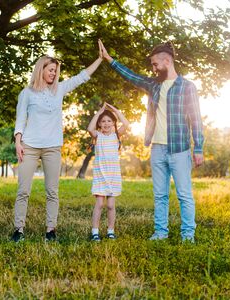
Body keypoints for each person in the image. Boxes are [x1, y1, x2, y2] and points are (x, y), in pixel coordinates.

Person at [98, 40, 204, 242]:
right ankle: (160, 232)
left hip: (179, 148)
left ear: (167, 60)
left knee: (184, 195)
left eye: (155, 64)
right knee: (160, 195)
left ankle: (188, 235)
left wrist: (198, 147)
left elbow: (195, 119)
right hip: (157, 148)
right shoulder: (154, 85)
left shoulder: (187, 87)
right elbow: (132, 77)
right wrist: (109, 60)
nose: (153, 68)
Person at [11, 41, 103, 243]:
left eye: (55, 71)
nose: (54, 73)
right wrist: (18, 142)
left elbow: (82, 77)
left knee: (52, 191)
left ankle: (50, 230)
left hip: (52, 147)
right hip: (29, 146)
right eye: (51, 70)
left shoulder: (59, 90)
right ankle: (19, 230)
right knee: (23, 190)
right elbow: (20, 119)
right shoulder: (26, 93)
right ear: (41, 69)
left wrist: (100, 59)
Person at [87, 103, 129, 241]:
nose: (106, 123)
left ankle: (110, 231)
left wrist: (115, 110)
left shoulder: (116, 135)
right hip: (101, 175)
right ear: (99, 123)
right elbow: (89, 128)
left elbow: (126, 124)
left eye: (109, 121)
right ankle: (95, 232)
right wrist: (99, 112)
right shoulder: (97, 135)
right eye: (103, 121)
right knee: (99, 204)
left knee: (111, 205)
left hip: (113, 176)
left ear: (113, 123)